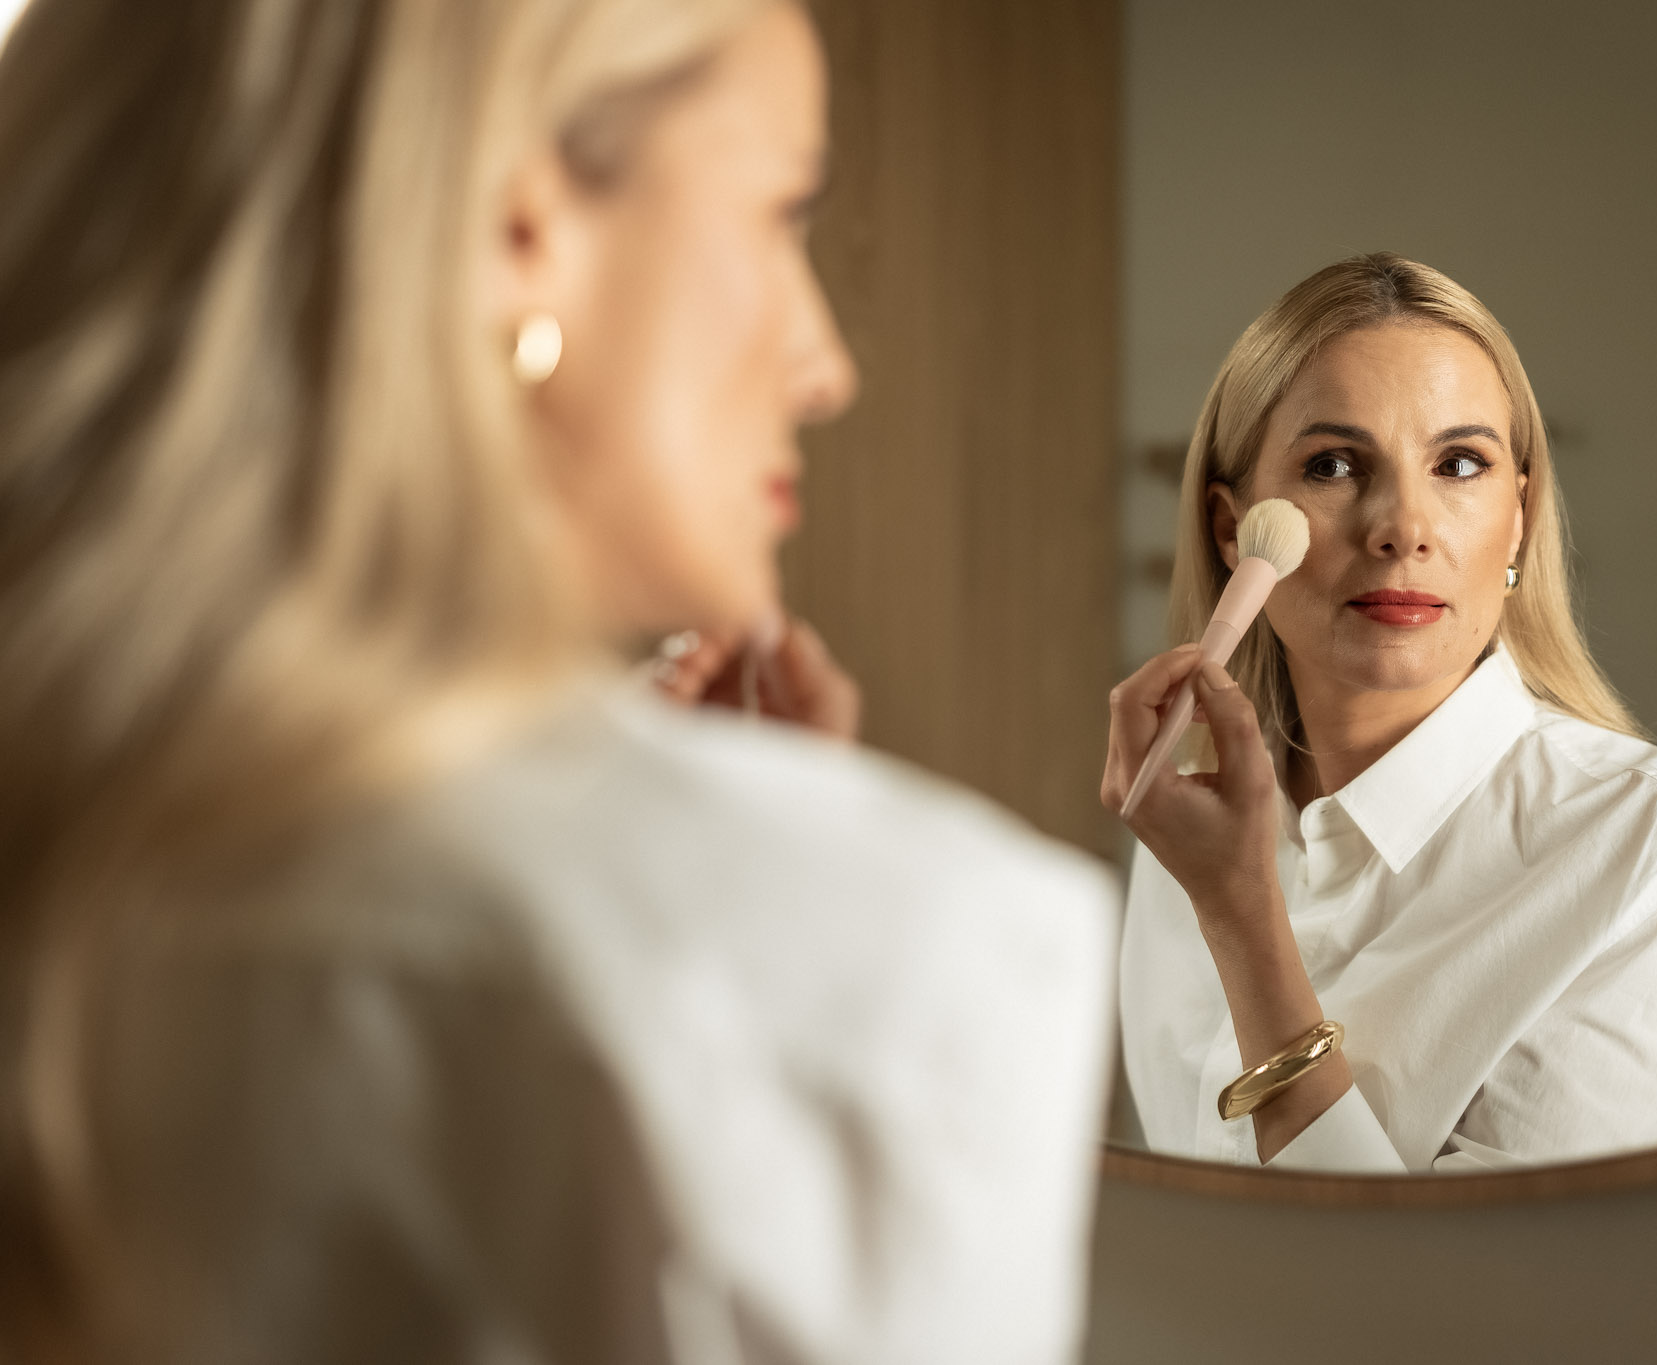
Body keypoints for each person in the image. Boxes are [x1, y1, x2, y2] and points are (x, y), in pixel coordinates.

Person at [0, 1, 1114, 1360]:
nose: (825, 366)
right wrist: (740, 891)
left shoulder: (68, 888)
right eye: (783, 214)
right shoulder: (900, 971)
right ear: (522, 233)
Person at [1105, 254, 1657, 1174]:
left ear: (1519, 516)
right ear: (1234, 530)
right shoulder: (1184, 824)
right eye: (1333, 465)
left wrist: (1242, 918)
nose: (1403, 527)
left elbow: (1472, 1276)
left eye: (1459, 463)